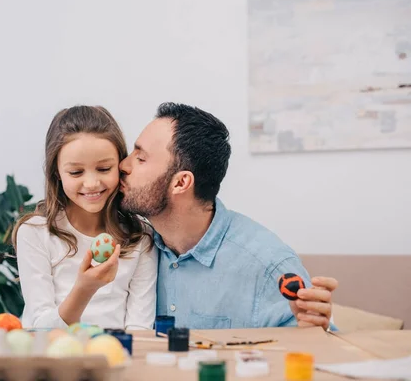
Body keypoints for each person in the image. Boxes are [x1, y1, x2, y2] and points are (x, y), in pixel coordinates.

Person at [119, 102, 338, 330]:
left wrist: (313, 330)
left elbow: (319, 348)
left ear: (181, 182)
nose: (123, 165)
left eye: (141, 158)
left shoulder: (268, 267)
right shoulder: (135, 248)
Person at [13, 105, 157, 330]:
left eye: (103, 168)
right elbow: (40, 329)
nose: (91, 183)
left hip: (115, 358)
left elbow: (140, 330)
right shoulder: (35, 232)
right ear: (56, 174)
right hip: (52, 360)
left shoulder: (140, 237)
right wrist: (85, 288)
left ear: (120, 166)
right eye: (76, 172)